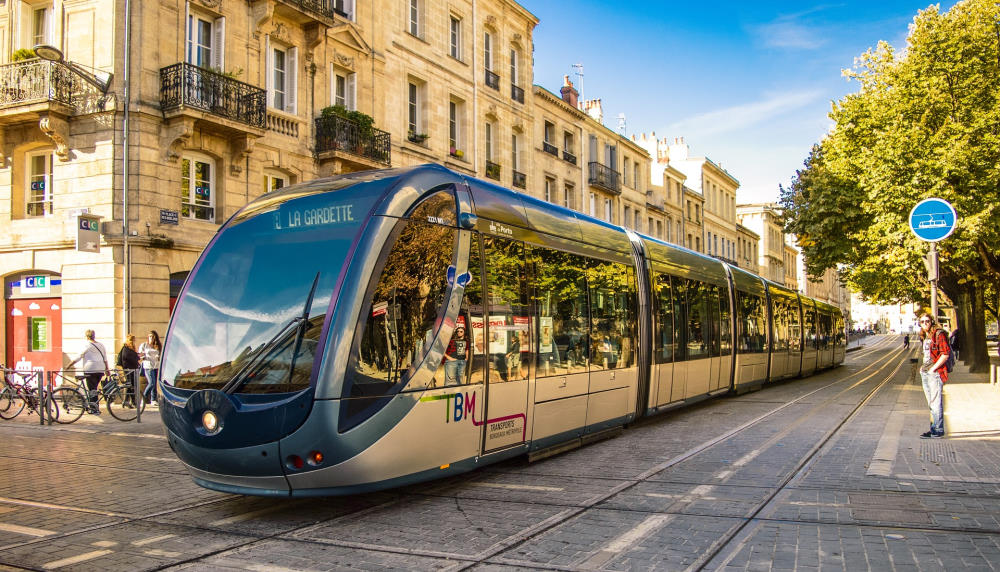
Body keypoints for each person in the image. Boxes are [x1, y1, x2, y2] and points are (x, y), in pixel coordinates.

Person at [918, 313, 949, 438]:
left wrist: (933, 369)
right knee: (931, 402)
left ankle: (938, 429)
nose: (925, 323)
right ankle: (934, 427)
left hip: (935, 373)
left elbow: (945, 354)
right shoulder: (925, 335)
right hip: (925, 372)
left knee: (936, 402)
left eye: (927, 321)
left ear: (932, 321)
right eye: (922, 321)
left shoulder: (938, 334)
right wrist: (923, 368)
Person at [66, 330, 110, 414]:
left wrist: (69, 365)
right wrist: (107, 369)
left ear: (86, 336)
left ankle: (94, 408)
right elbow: (105, 359)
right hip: (100, 369)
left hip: (90, 369)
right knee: (94, 388)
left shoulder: (87, 345)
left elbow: (78, 357)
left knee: (92, 389)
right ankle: (94, 406)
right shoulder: (101, 345)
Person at [116, 334, 140, 408]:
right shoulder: (126, 348)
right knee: (130, 385)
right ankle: (130, 402)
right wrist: (136, 357)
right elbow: (126, 358)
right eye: (132, 340)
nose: (133, 342)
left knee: (131, 386)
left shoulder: (130, 348)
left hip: (132, 370)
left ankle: (129, 401)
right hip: (129, 370)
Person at [139, 330, 162, 405]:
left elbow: (161, 354)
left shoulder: (158, 345)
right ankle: (144, 398)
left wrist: (158, 356)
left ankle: (153, 399)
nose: (151, 338)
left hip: (156, 366)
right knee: (151, 383)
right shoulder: (144, 345)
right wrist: (144, 357)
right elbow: (140, 355)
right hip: (148, 366)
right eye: (149, 336)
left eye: (152, 337)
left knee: (155, 383)